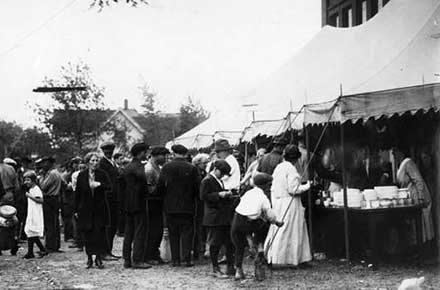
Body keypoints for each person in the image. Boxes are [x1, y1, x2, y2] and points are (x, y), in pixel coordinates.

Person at [264, 145, 312, 266]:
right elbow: (292, 189)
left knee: (280, 229)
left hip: (278, 201)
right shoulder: (291, 169)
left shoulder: (279, 167)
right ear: (296, 159)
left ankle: (275, 257)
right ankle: (287, 259)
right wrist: (308, 186)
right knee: (291, 230)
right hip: (289, 202)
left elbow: (274, 187)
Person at [231, 173, 284, 280]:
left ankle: (238, 270)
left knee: (239, 247)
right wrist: (277, 222)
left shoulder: (248, 193)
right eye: (269, 185)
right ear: (265, 185)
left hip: (238, 220)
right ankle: (259, 249)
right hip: (251, 224)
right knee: (263, 227)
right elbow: (270, 215)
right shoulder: (263, 198)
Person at [157, 144, 200, 267]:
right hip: (187, 206)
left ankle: (175, 260)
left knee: (173, 232)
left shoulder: (166, 167)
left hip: (170, 206)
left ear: (174, 153)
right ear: (185, 154)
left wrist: (164, 198)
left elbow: (160, 186)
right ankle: (186, 258)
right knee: (187, 233)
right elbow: (197, 187)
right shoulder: (192, 168)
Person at [75, 152, 111, 269]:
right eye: (92, 161)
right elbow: (78, 194)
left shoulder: (102, 174)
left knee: (99, 234)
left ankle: (99, 258)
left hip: (99, 209)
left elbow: (109, 187)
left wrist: (99, 184)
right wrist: (76, 209)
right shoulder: (82, 175)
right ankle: (89, 258)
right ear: (88, 162)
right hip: (85, 209)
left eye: (97, 161)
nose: (95, 163)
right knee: (88, 235)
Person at [200, 160, 235, 278]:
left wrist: (226, 193)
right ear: (216, 169)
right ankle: (215, 268)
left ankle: (231, 267)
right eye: (223, 173)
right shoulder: (207, 180)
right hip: (214, 216)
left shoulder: (217, 180)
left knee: (228, 242)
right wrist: (219, 195)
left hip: (222, 216)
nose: (224, 176)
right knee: (215, 243)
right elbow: (203, 196)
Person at [393, 148, 434, 243]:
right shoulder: (401, 165)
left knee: (422, 224)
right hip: (411, 196)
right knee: (415, 226)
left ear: (401, 152)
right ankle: (418, 248)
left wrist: (420, 198)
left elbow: (418, 180)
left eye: (395, 151)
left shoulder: (408, 163)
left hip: (417, 195)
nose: (393, 154)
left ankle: (424, 248)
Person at [122, 142, 151, 269]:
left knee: (129, 232)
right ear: (140, 153)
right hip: (138, 203)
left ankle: (127, 259)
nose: (146, 154)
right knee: (139, 231)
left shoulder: (128, 166)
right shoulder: (139, 167)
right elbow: (142, 186)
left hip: (128, 204)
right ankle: (137, 260)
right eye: (145, 152)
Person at [144, 146, 169, 264]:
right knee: (153, 230)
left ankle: (154, 253)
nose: (165, 158)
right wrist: (163, 187)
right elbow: (149, 189)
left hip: (157, 202)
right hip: (152, 203)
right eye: (164, 155)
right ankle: (150, 254)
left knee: (158, 230)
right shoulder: (149, 170)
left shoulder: (156, 168)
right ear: (156, 156)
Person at [99, 141, 121, 260]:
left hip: (114, 198)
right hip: (108, 198)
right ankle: (104, 252)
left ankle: (109, 250)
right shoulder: (102, 164)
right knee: (108, 225)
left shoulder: (112, 163)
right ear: (103, 151)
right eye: (107, 151)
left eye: (111, 151)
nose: (109, 153)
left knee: (113, 225)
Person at [37, 156, 63, 253]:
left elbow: (43, 186)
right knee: (54, 223)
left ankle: (50, 246)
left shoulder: (51, 174)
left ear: (50, 163)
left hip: (50, 199)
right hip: (55, 199)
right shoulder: (56, 173)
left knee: (49, 223)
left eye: (45, 163)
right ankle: (55, 245)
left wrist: (41, 177)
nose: (43, 165)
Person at [23, 171, 47, 259]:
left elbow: (41, 200)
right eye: (25, 180)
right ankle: (41, 250)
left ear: (33, 181)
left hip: (36, 213)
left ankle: (31, 252)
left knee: (31, 231)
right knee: (31, 232)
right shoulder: (31, 189)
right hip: (32, 212)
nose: (26, 182)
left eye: (28, 180)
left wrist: (30, 196)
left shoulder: (36, 189)